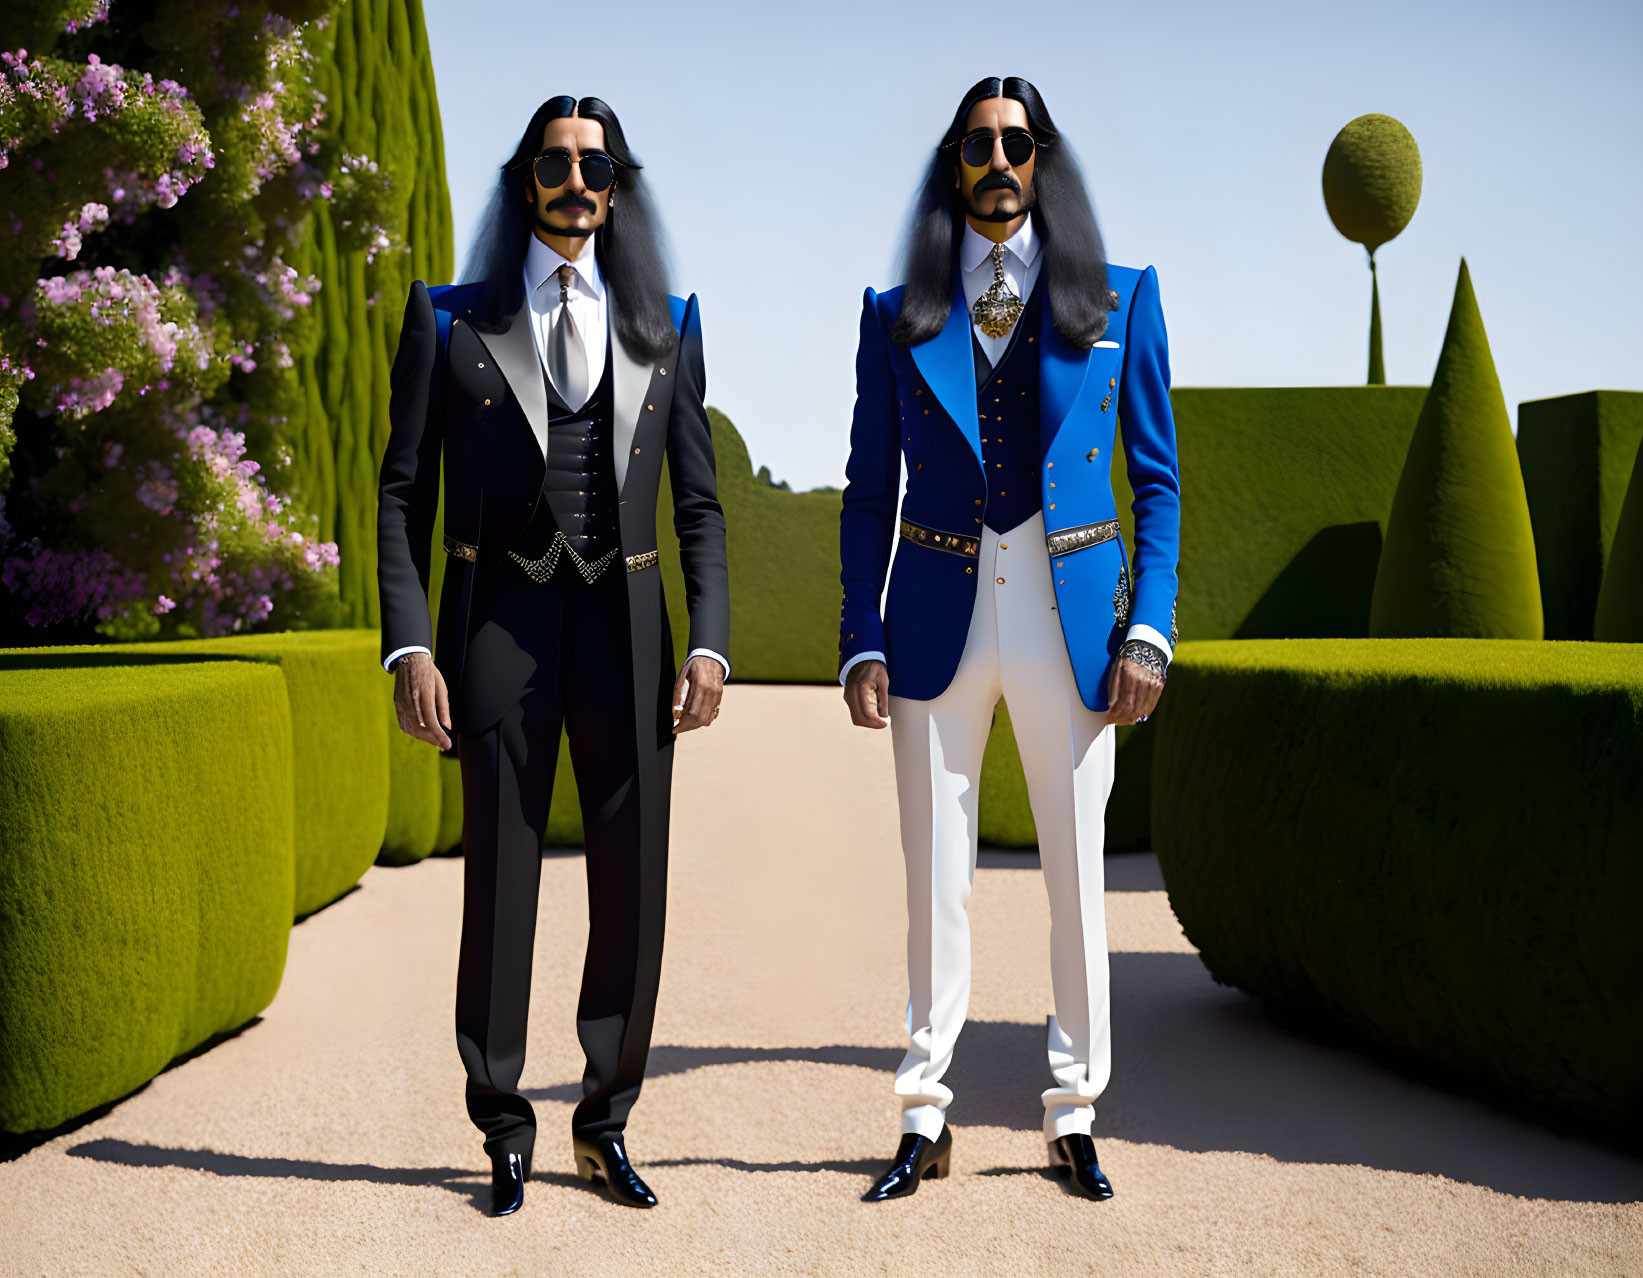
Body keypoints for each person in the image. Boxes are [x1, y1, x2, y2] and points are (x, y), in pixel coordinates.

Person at [376, 94, 730, 1215]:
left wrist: (711, 641)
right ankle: (503, 1124)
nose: (576, 181)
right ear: (524, 180)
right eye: (555, 163)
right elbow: (399, 498)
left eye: (594, 164)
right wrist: (410, 647)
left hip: (625, 630)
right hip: (496, 630)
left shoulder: (666, 323)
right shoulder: (449, 320)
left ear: (616, 185)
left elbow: (700, 506)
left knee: (632, 889)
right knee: (501, 886)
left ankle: (604, 1123)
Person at [838, 75, 1181, 1203]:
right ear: (953, 164)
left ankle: (1074, 1112)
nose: (997, 159)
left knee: (1074, 871)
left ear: (1041, 161)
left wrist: (1148, 628)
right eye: (978, 143)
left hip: (1069, 606)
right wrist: (859, 633)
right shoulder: (896, 315)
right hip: (934, 599)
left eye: (1016, 142)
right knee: (932, 877)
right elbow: (863, 487)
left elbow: (1158, 484)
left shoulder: (1121, 300)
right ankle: (923, 1115)